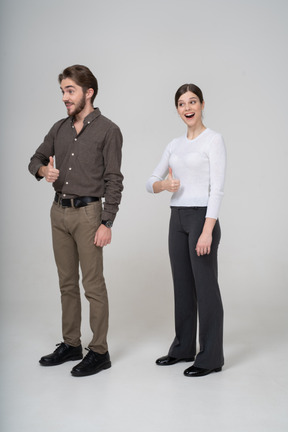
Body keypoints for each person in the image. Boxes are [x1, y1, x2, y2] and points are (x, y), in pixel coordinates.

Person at [28, 65, 124, 377]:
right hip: (59, 212)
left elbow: (114, 180)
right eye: (63, 92)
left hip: (88, 215)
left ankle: (99, 351)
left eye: (70, 91)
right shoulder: (59, 128)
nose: (65, 97)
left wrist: (106, 222)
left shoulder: (109, 130)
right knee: (66, 283)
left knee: (92, 285)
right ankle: (71, 344)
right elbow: (35, 160)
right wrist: (45, 172)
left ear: (88, 92)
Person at [146, 83, 226, 377]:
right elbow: (150, 182)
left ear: (202, 104)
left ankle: (211, 357)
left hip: (201, 219)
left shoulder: (213, 140)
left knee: (206, 290)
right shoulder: (174, 145)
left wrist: (207, 230)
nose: (188, 108)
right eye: (182, 104)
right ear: (177, 109)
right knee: (182, 286)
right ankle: (182, 349)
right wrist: (165, 185)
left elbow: (216, 190)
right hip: (176, 218)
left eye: (193, 102)